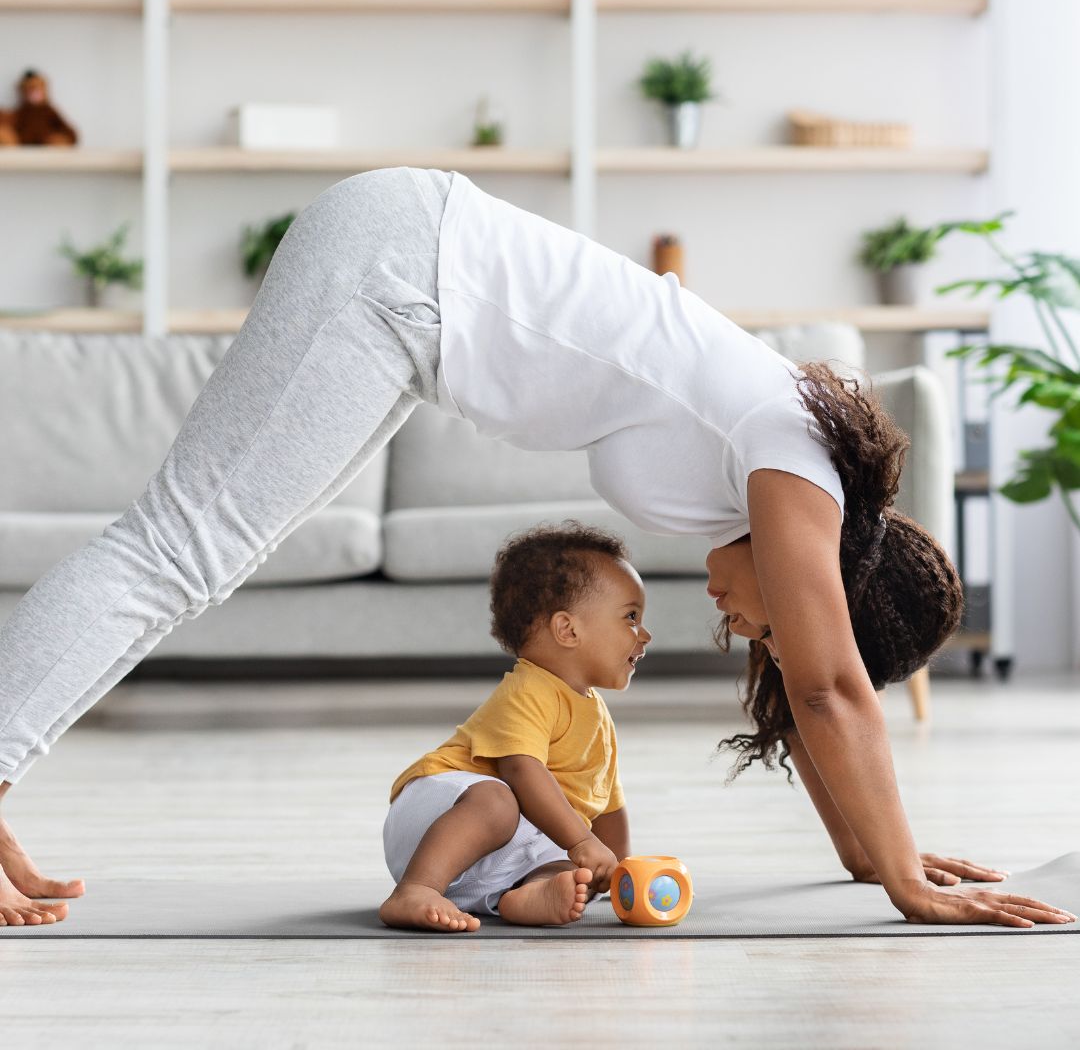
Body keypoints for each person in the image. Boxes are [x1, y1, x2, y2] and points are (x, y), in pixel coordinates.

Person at [0, 166, 1073, 930]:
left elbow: (812, 680)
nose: (741, 627)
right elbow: (833, 686)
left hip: (409, 298)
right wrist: (909, 887)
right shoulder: (798, 461)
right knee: (176, 552)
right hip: (401, 270)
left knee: (199, 562)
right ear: (826, 587)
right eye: (770, 625)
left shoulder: (782, 476)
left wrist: (867, 851)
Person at [379, 523, 646, 932]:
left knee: (569, 871)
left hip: (486, 860)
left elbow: (606, 803)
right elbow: (522, 770)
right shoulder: (530, 689)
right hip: (436, 820)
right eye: (631, 617)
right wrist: (582, 842)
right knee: (500, 800)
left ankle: (526, 896)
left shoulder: (596, 715)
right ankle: (415, 889)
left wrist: (619, 872)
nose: (644, 635)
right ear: (568, 629)